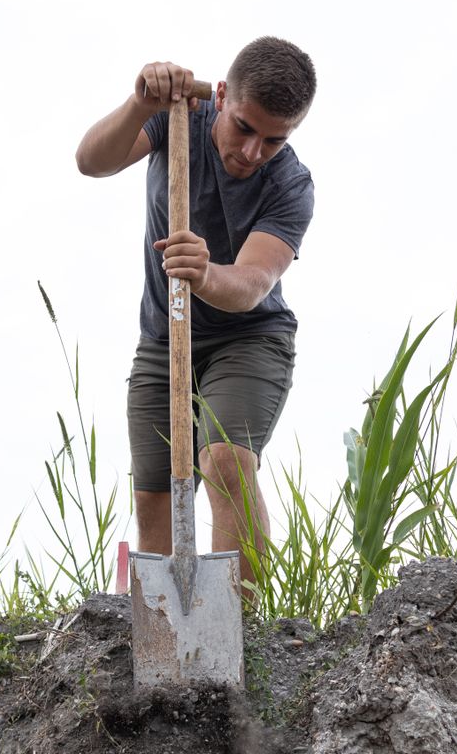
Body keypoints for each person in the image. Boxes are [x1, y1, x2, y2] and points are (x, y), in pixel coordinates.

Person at [75, 37, 317, 590]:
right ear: (223, 96)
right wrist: (142, 102)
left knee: (225, 462)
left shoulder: (291, 185)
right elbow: (91, 162)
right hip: (163, 338)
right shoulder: (175, 118)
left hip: (249, 339)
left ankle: (242, 627)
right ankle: (160, 633)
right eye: (244, 128)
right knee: (155, 493)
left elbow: (254, 283)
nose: (254, 151)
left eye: (274, 140)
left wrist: (206, 274)